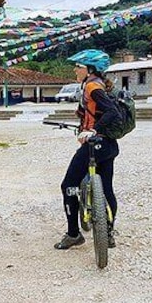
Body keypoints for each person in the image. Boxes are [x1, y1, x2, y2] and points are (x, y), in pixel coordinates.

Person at [55, 49, 121, 251]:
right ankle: (108, 233)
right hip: (109, 145)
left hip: (95, 145)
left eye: (79, 66)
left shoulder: (92, 86)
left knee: (68, 186)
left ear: (90, 69)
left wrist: (93, 130)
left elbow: (112, 111)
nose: (75, 70)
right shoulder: (100, 85)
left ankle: (74, 234)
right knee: (107, 188)